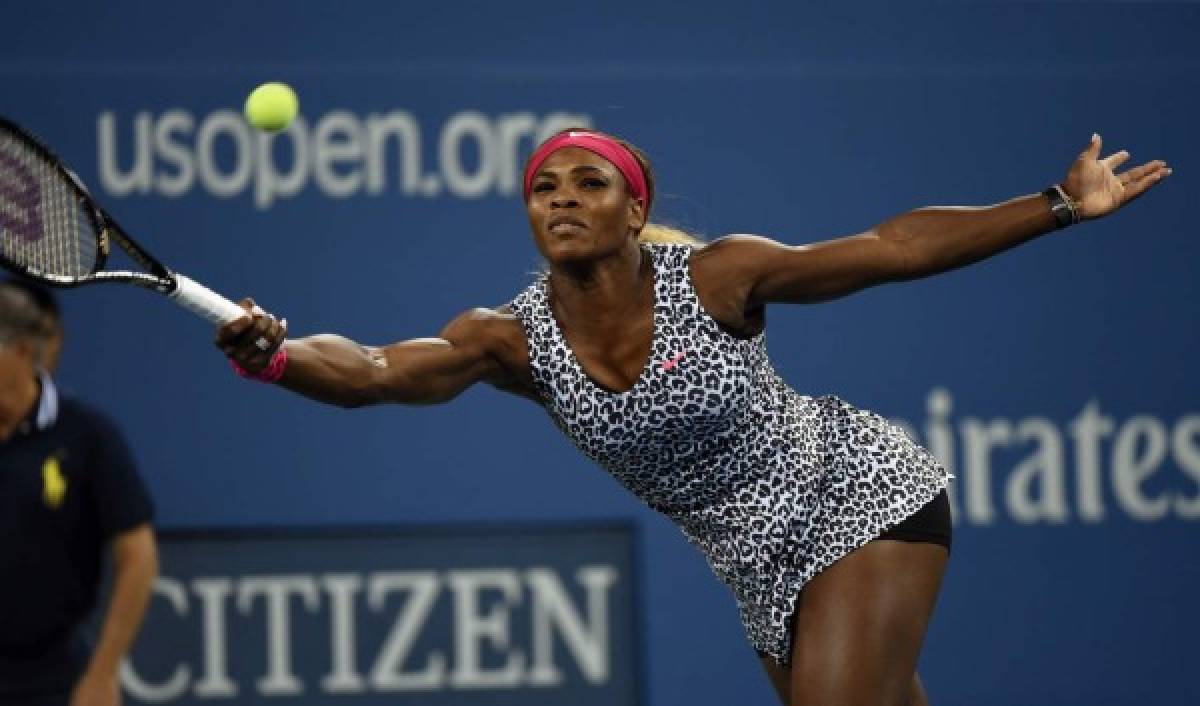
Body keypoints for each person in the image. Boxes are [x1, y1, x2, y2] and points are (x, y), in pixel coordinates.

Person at [217, 129, 1170, 705]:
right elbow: (376, 370)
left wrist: (1059, 205)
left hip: (858, 497)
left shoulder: (719, 276)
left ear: (636, 213)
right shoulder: (506, 341)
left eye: (588, 185)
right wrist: (281, 357)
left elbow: (896, 248)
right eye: (545, 189)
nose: (561, 200)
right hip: (759, 572)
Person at [0, 281, 158, 706]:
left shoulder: (87, 435)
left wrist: (102, 675)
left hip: (57, 680)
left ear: (18, 351)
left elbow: (138, 555)